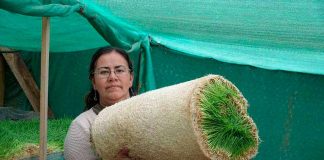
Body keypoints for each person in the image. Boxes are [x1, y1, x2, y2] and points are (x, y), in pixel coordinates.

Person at [64, 46, 134, 160]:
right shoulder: (82, 126)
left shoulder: (151, 116)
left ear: (131, 78)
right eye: (104, 72)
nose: (112, 77)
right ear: (94, 82)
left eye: (119, 70)